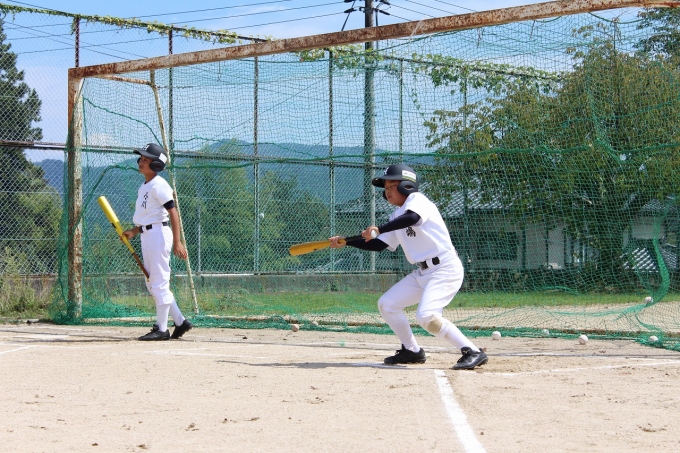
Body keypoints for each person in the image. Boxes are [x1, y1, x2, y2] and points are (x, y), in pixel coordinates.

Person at [329, 164, 487, 370]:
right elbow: (379, 244)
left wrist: (379, 228)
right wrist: (347, 242)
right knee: (387, 304)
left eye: (392, 186)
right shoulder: (396, 217)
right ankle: (412, 350)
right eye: (385, 188)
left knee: (427, 316)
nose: (387, 192)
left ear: (407, 186)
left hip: (444, 269)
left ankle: (472, 351)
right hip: (422, 272)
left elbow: (413, 218)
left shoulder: (417, 201)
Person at [122, 143, 193, 341]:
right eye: (141, 159)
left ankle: (161, 329)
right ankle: (180, 321)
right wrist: (134, 231)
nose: (141, 162)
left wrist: (177, 242)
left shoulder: (159, 185)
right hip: (148, 234)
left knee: (159, 282)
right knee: (153, 282)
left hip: (159, 235)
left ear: (157, 165)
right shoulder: (145, 186)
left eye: (146, 160)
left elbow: (172, 213)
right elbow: (148, 218)